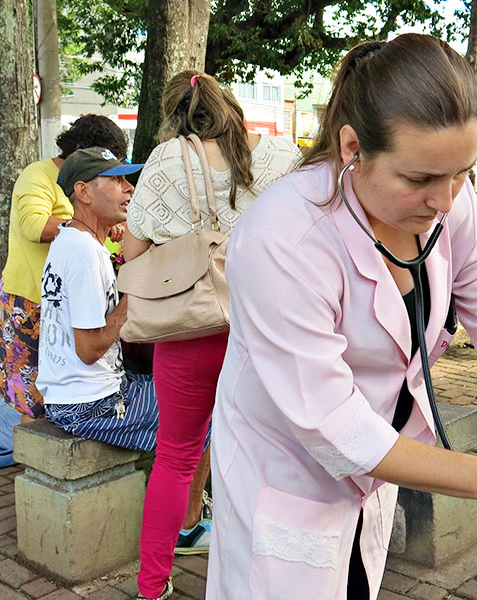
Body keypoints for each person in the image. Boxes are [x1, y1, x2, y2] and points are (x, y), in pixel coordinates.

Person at [207, 34, 477, 600]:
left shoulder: (451, 205)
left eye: (462, 172)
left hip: (377, 472)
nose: (445, 200)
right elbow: (331, 421)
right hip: (288, 476)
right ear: (353, 147)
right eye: (419, 179)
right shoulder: (283, 237)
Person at [122, 70, 300, 600]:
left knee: (176, 457)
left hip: (189, 330)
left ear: (175, 114)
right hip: (267, 325)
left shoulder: (166, 160)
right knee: (269, 454)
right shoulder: (280, 155)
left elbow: (132, 251)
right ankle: (267, 581)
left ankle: (152, 586)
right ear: (230, 107)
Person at [0, 115, 129, 422]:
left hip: (73, 304)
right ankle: (34, 449)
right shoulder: (38, 175)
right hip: (31, 302)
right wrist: (88, 225)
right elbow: (34, 225)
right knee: (34, 400)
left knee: (64, 393)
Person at [36, 147, 161, 450]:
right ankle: (181, 479)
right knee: (201, 406)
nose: (129, 188)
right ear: (84, 192)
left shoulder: (71, 238)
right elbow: (89, 350)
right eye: (116, 180)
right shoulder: (84, 254)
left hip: (75, 396)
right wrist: (134, 295)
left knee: (183, 387)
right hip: (91, 405)